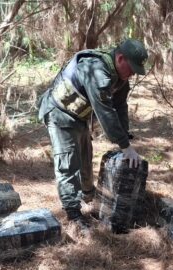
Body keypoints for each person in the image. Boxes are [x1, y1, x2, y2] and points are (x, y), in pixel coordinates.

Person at [38, 39, 148, 228]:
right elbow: (105, 111)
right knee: (68, 163)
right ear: (120, 58)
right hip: (59, 114)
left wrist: (126, 136)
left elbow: (120, 106)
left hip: (79, 117)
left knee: (85, 163)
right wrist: (124, 146)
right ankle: (73, 214)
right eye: (131, 69)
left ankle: (89, 199)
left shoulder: (119, 76)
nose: (131, 75)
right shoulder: (96, 71)